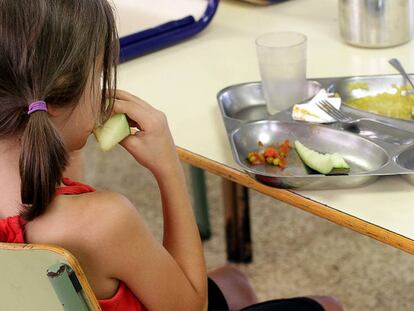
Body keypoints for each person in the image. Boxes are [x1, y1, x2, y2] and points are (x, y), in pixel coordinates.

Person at [0, 1, 342, 310]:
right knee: (326, 305)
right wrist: (167, 167)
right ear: (65, 89)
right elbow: (192, 305)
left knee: (233, 282)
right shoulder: (102, 221)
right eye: (99, 74)